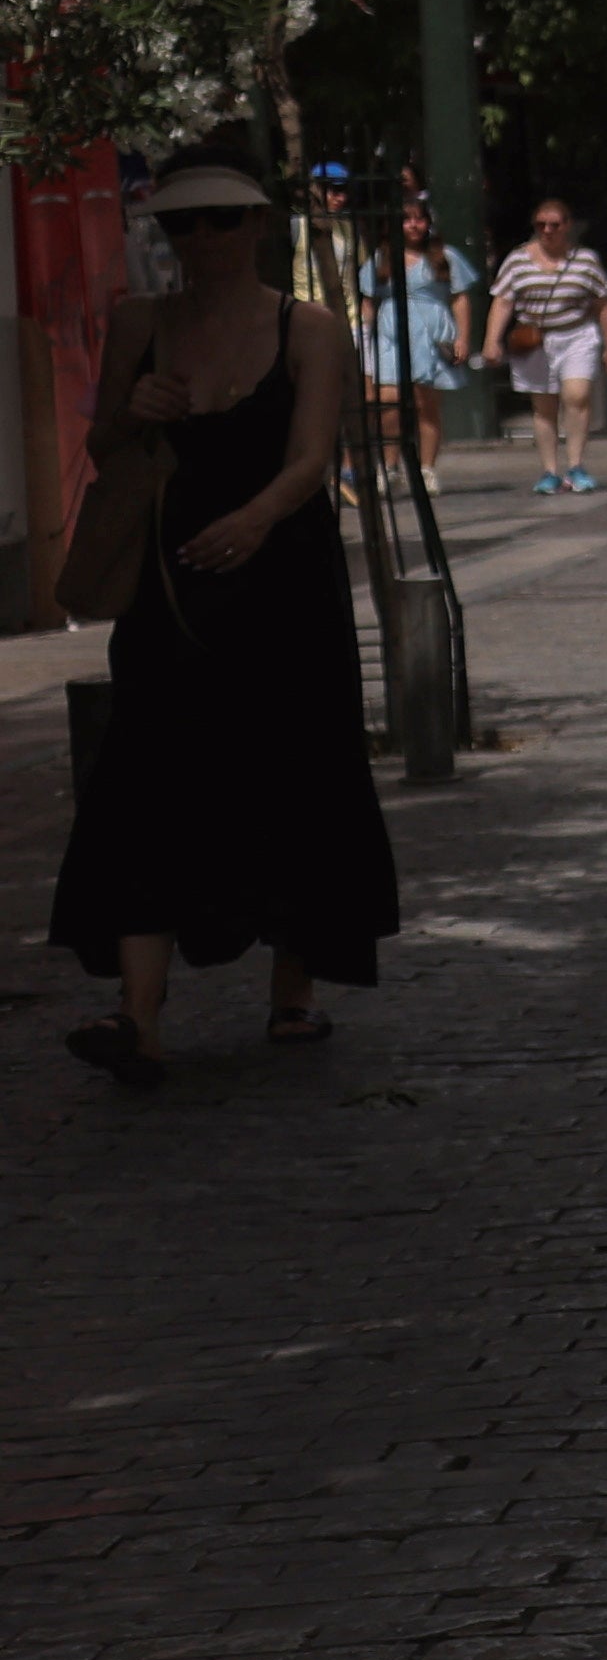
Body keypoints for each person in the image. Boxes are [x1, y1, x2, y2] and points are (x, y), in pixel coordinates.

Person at [47, 138, 398, 1086]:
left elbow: (310, 458)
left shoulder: (309, 327)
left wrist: (255, 520)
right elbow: (107, 441)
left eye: (220, 219)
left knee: (301, 768)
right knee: (144, 775)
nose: (202, 238)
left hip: (281, 578)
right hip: (172, 581)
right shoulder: (139, 322)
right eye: (182, 222)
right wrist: (138, 410)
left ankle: (294, 992)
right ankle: (138, 1015)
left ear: (257, 224)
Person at [487, 198, 607, 496]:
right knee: (543, 406)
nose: (547, 231)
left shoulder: (585, 260)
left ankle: (576, 465)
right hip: (535, 339)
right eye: (540, 225)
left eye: (554, 225)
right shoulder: (518, 260)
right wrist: (491, 340)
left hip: (576, 334)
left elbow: (603, 303)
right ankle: (549, 470)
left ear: (567, 226)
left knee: (577, 395)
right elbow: (503, 300)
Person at [358, 189, 469, 500]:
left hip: (432, 330)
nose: (413, 225)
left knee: (426, 403)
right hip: (392, 330)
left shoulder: (445, 257)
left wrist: (462, 336)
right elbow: (367, 301)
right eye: (406, 220)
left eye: (419, 219)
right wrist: (361, 338)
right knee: (389, 401)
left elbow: (460, 298)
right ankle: (390, 468)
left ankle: (426, 468)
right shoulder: (381, 259)